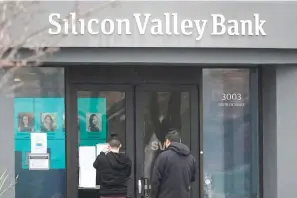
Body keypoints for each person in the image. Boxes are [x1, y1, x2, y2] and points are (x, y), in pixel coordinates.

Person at [150, 130, 197, 198]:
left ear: (167, 142)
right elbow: (192, 179)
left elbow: (155, 181)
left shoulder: (163, 157)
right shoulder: (191, 159)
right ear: (180, 142)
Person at [93, 134, 131, 198]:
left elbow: (95, 165)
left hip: (106, 192)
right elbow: (128, 173)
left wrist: (102, 153)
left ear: (109, 146)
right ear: (120, 146)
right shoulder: (126, 159)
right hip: (121, 192)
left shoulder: (102, 158)